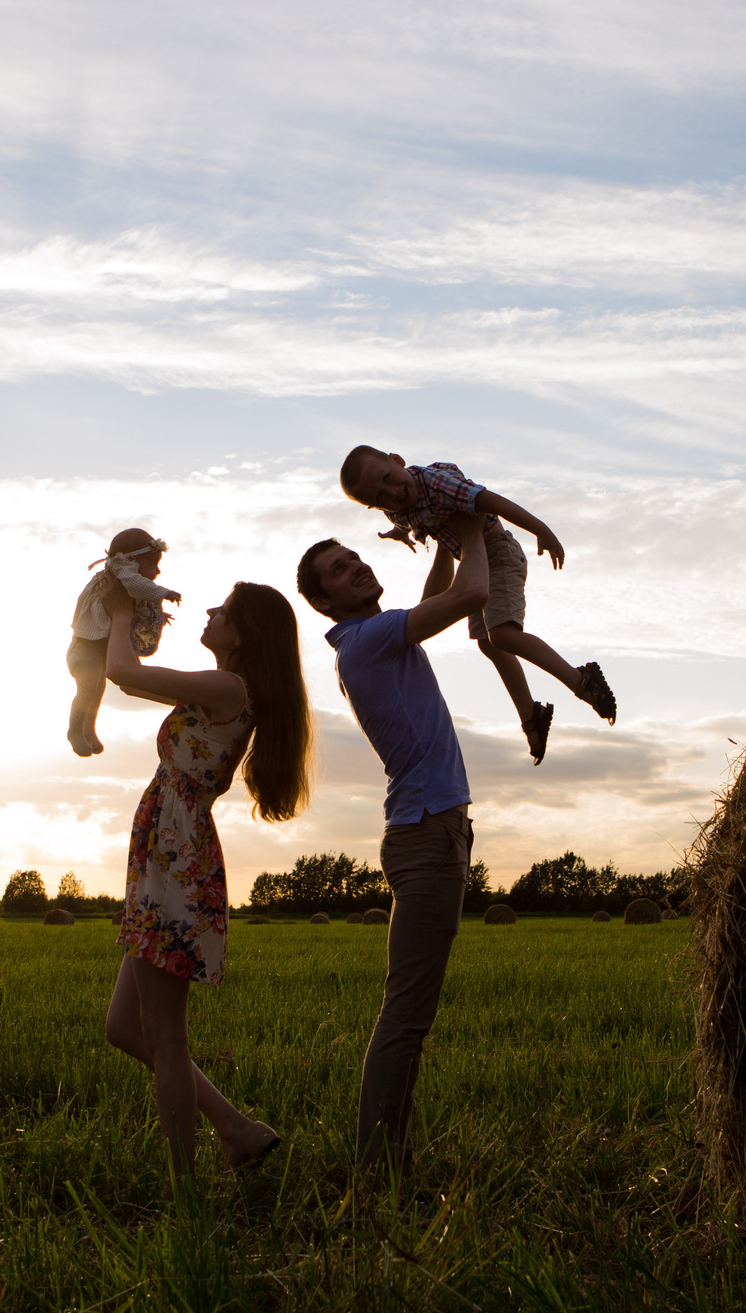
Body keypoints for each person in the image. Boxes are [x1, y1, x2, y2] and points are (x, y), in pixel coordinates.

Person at [296, 511, 489, 1181]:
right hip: (427, 832)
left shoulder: (374, 638)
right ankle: (376, 1167)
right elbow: (469, 598)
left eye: (355, 557)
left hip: (431, 830)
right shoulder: (370, 640)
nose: (358, 567)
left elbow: (436, 599)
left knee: (410, 1013)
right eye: (340, 570)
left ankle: (388, 1160)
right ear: (324, 602)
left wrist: (444, 544)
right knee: (406, 1014)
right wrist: (473, 529)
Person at [98, 577, 310, 1180]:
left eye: (224, 610)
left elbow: (122, 672)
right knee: (124, 1028)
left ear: (243, 636)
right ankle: (239, 1131)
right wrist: (140, 618)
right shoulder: (228, 688)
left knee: (166, 1038)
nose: (211, 610)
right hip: (170, 854)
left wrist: (117, 611)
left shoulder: (228, 687)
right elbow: (136, 669)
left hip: (175, 859)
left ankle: (185, 1193)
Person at [338, 446, 614, 763]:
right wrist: (398, 532)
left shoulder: (436, 483)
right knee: (487, 643)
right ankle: (531, 714)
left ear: (398, 461)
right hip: (473, 560)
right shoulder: (396, 506)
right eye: (380, 496)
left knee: (502, 635)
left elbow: (491, 500)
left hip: (498, 552)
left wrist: (541, 529)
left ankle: (581, 679)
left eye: (388, 478)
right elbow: (404, 517)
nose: (392, 493)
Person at [66, 528, 182, 756]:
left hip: (98, 646)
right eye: (151, 564)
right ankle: (74, 730)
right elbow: (138, 586)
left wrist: (159, 614)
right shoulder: (122, 571)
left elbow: (138, 603)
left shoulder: (124, 578)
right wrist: (164, 593)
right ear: (130, 559)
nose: (157, 571)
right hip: (86, 645)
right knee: (88, 688)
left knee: (97, 689)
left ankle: (88, 728)